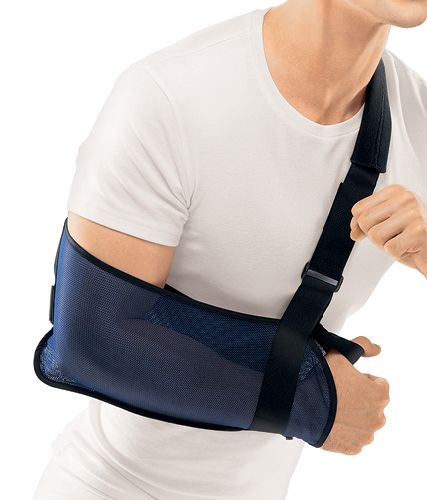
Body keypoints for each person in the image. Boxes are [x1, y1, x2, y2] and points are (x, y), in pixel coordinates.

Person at [33, 1, 427, 499]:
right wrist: (312, 400)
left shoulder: (419, 121)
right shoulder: (168, 97)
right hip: (110, 485)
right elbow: (94, 342)